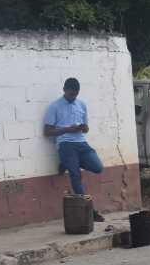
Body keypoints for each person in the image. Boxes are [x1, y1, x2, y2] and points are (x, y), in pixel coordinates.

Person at [44, 78, 105, 222]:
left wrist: (83, 128)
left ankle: (66, 163)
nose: (73, 97)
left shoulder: (82, 104)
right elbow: (47, 131)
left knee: (98, 167)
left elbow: (86, 128)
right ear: (64, 90)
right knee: (75, 175)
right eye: (71, 94)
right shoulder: (55, 106)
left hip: (81, 142)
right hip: (65, 144)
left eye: (75, 95)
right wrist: (67, 129)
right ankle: (90, 210)